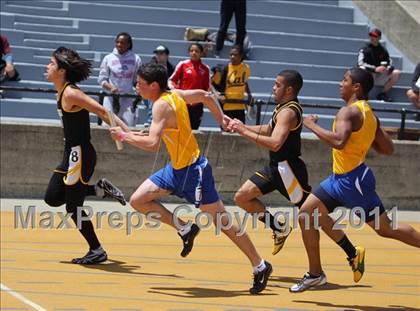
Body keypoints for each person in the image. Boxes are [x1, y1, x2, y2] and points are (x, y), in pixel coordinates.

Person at [110, 63, 272, 294]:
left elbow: (152, 143)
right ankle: (185, 229)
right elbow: (205, 96)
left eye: (140, 83)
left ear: (154, 86)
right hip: (176, 169)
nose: (136, 86)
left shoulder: (161, 106)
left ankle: (260, 265)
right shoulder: (175, 94)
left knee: (222, 221)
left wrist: (125, 136)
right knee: (138, 200)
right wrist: (221, 117)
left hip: (194, 172)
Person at [290, 67, 420, 293]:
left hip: (353, 182)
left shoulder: (348, 113)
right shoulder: (369, 114)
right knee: (306, 214)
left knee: (385, 228)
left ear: (356, 87)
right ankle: (315, 274)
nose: (341, 83)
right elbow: (387, 148)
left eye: (345, 80)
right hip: (340, 178)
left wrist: (310, 125)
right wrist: (364, 141)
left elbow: (339, 141)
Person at [229, 70, 355, 261]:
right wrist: (241, 127)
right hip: (275, 168)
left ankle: (352, 252)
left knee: (314, 214)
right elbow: (269, 129)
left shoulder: (288, 111)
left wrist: (243, 132)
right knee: (242, 198)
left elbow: (275, 142)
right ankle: (279, 228)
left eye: (277, 85)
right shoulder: (282, 107)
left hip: (289, 172)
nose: (273, 88)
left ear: (289, 90)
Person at [45, 46, 128, 264]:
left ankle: (97, 250)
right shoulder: (62, 91)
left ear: (62, 71)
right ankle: (100, 188)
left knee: (73, 207)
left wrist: (126, 133)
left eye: (51, 63)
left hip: (79, 155)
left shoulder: (71, 93)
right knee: (52, 197)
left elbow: (102, 111)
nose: (47, 66)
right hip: (70, 153)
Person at [98, 32, 142, 127]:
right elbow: (101, 79)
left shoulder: (136, 59)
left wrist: (138, 88)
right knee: (107, 125)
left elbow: (137, 80)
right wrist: (111, 88)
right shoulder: (108, 58)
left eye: (122, 43)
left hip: (128, 98)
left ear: (128, 44)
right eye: (117, 42)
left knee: (128, 127)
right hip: (111, 98)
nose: (119, 45)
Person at [168, 43, 212, 130]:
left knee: (194, 130)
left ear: (201, 53)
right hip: (183, 103)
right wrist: (176, 91)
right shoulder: (182, 64)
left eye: (196, 51)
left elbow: (206, 87)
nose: (194, 53)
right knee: (181, 129)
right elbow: (171, 80)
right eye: (191, 51)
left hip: (197, 105)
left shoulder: (205, 68)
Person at [357, 28, 400, 102]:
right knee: (362, 69)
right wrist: (374, 69)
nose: (372, 37)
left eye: (375, 36)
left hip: (379, 76)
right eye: (371, 35)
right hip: (369, 76)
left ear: (379, 38)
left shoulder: (383, 50)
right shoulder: (364, 49)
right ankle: (364, 94)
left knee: (397, 73)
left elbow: (389, 62)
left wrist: (388, 68)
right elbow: (360, 63)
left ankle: (382, 94)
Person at [213, 45, 252, 123]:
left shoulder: (246, 68)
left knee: (239, 132)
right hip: (226, 106)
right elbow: (212, 85)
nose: (232, 57)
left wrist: (249, 94)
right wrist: (219, 95)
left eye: (235, 55)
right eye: (231, 54)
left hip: (240, 106)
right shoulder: (223, 69)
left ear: (241, 56)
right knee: (226, 131)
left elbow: (244, 82)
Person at [143, 45, 175, 127]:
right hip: (153, 91)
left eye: (161, 53)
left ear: (167, 55)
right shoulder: (150, 67)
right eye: (157, 53)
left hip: (167, 92)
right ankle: (151, 119)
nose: (158, 55)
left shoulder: (172, 68)